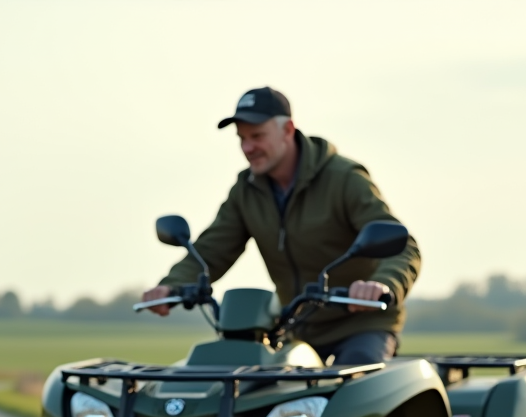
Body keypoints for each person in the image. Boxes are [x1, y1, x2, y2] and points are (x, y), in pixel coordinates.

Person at [140, 87, 421, 365]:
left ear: (287, 129)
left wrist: (381, 285)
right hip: (293, 329)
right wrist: (172, 287)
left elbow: (403, 246)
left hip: (361, 326)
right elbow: (213, 249)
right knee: (248, 390)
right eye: (242, 139)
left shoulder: (344, 179)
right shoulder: (246, 191)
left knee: (358, 384)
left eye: (257, 136)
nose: (248, 148)